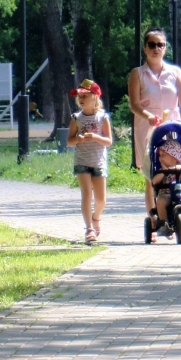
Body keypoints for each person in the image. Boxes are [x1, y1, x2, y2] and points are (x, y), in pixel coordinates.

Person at [127, 28, 181, 217]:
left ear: (165, 48)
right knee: (152, 175)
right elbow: (134, 105)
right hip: (148, 125)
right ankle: (154, 219)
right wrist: (148, 115)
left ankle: (179, 210)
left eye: (160, 45)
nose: (156, 48)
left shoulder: (175, 72)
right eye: (152, 44)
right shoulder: (137, 74)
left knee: (178, 167)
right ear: (145, 48)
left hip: (173, 126)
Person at [66, 80, 113, 244]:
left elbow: (109, 141)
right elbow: (69, 141)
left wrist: (95, 137)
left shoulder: (102, 117)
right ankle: (89, 229)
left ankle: (96, 217)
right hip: (81, 161)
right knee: (87, 194)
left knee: (101, 200)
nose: (81, 99)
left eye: (85, 96)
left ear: (95, 97)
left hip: (98, 162)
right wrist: (77, 139)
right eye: (79, 96)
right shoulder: (76, 118)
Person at [149, 137, 181, 233]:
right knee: (160, 201)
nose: (160, 158)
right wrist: (163, 172)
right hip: (166, 193)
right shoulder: (162, 170)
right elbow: (154, 182)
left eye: (163, 155)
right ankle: (163, 223)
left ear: (174, 157)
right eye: (160, 155)